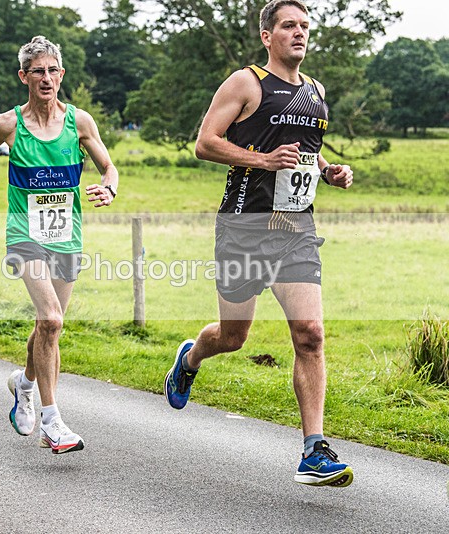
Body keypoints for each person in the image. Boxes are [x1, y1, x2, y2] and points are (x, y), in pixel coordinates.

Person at [164, 0, 354, 487]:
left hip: (296, 231)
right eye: (289, 25)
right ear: (267, 35)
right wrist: (263, 160)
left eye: (305, 25)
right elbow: (205, 143)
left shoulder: (315, 91)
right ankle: (190, 358)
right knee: (233, 337)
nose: (300, 32)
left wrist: (327, 171)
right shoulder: (246, 83)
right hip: (243, 229)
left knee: (310, 334)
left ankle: (314, 450)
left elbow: (305, 153)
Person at [0, 36, 119, 454]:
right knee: (51, 320)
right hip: (24, 234)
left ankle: (23, 384)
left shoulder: (80, 122)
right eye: (37, 72)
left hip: (67, 236)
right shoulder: (7, 124)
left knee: (49, 327)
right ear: (23, 76)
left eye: (52, 71)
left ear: (61, 75)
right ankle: (53, 422)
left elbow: (109, 167)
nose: (46, 78)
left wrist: (108, 188)